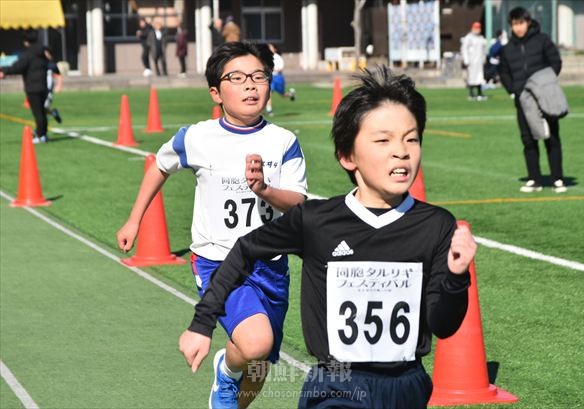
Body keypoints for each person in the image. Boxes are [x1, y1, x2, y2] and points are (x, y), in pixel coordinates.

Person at [179, 66, 477, 409]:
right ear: (347, 156)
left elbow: (443, 324)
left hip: (407, 386)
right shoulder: (317, 221)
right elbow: (245, 249)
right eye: (383, 140)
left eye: (411, 138)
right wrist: (202, 323)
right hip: (336, 384)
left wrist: (456, 277)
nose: (402, 151)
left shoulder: (436, 226)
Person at [117, 41, 307, 409]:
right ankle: (225, 371)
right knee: (256, 343)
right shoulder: (197, 137)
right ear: (216, 93)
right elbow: (159, 165)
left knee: (260, 367)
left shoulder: (284, 142)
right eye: (237, 78)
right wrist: (134, 219)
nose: (251, 85)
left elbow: (298, 202)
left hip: (270, 265)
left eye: (258, 76)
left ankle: (227, 388)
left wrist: (265, 189)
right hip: (218, 262)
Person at [499, 7, 566, 193]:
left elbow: (555, 62)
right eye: (514, 24)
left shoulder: (542, 40)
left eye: (521, 23)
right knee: (528, 140)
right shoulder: (507, 49)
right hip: (522, 100)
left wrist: (546, 84)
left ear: (528, 22)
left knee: (551, 137)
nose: (518, 27)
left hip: (545, 98)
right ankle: (534, 179)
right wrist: (513, 90)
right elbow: (503, 71)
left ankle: (557, 178)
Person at [0, 30, 50, 143]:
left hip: (33, 87)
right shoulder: (42, 53)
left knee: (37, 112)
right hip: (43, 86)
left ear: (26, 42)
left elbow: (17, 67)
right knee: (41, 111)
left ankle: (41, 135)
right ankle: (43, 134)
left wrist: (4, 71)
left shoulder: (28, 54)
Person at [265, 43, 296, 116]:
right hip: (271, 77)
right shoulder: (266, 58)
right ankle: (269, 110)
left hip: (278, 78)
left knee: (283, 94)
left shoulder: (278, 58)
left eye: (271, 48)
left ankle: (291, 94)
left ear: (275, 49)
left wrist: (272, 69)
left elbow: (281, 68)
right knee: (268, 93)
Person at [460, 21, 487, 101]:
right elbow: (464, 49)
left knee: (479, 77)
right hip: (472, 61)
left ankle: (479, 93)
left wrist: (484, 59)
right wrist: (466, 59)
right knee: (472, 77)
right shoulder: (469, 38)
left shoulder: (481, 38)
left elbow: (483, 50)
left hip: (479, 61)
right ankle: (471, 93)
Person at [43, 48, 63, 124]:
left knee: (43, 108)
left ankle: (41, 131)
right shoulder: (40, 64)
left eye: (47, 53)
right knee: (42, 109)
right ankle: (53, 113)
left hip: (48, 91)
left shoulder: (52, 65)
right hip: (41, 89)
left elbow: (59, 76)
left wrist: (59, 86)